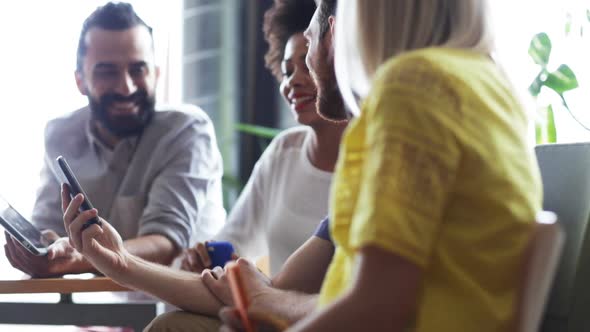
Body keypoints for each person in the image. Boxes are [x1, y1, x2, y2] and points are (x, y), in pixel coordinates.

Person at [221, 0, 543, 331]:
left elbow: (378, 308)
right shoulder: (490, 88)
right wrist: (273, 304)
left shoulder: (412, 87)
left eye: (315, 31)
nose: (312, 53)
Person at [4, 2, 225, 278]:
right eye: (107, 72)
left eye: (138, 70)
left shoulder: (186, 130)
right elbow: (49, 228)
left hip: (176, 308)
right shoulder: (60, 135)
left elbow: (166, 241)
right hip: (101, 311)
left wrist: (78, 256)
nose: (126, 87)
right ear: (80, 81)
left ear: (155, 74)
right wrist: (46, 247)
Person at [180, 0, 347, 276]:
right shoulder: (284, 151)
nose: (293, 81)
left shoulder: (373, 158)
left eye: (306, 64)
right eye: (288, 70)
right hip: (273, 310)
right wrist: (206, 256)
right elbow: (234, 240)